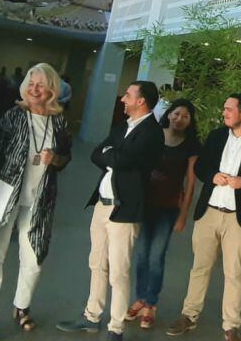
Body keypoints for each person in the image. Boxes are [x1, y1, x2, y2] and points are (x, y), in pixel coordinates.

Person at [166, 93, 241, 341]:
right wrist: (213, 175)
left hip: (240, 218)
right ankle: (189, 315)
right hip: (209, 212)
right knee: (200, 267)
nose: (224, 112)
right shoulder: (217, 136)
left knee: (234, 273)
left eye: (229, 109)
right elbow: (200, 167)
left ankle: (231, 326)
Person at [57, 81, 164, 341]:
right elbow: (97, 153)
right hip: (102, 205)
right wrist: (112, 154)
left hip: (124, 210)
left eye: (128, 95)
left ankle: (116, 328)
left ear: (141, 101)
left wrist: (112, 154)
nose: (123, 99)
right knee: (97, 264)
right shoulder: (123, 126)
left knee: (118, 271)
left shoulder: (152, 132)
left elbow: (124, 160)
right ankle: (91, 316)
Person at [0, 63, 73, 340]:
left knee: (34, 256)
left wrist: (56, 159)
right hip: (2, 194)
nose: (34, 89)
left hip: (39, 198)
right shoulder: (14, 116)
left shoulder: (59, 122)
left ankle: (21, 307)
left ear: (52, 90)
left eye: (40, 84)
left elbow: (66, 157)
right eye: (30, 83)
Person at [124, 99, 201, 330]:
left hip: (169, 208)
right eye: (176, 114)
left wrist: (183, 215)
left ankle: (151, 304)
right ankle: (140, 298)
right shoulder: (154, 135)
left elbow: (190, 182)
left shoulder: (192, 146)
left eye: (185, 116)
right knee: (141, 254)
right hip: (145, 204)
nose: (179, 119)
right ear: (169, 114)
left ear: (190, 121)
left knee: (156, 256)